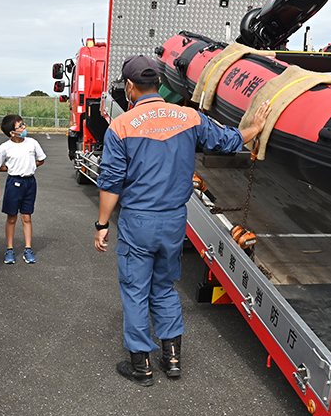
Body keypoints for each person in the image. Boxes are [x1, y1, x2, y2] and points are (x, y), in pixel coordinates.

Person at [94, 55, 271, 386]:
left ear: (130, 87)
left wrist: (102, 225)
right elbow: (229, 141)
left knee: (135, 290)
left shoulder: (121, 127)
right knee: (163, 287)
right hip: (175, 221)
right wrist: (256, 128)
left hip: (138, 221)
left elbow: (111, 182)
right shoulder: (189, 117)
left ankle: (141, 365)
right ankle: (172, 358)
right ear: (158, 84)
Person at [0, 114, 45, 264]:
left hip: (30, 182)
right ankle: (9, 249)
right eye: (20, 126)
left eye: (23, 124)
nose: (24, 128)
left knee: (27, 217)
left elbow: (41, 159)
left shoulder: (32, 143)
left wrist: (30, 166)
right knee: (12, 217)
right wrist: (13, 168)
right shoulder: (4, 147)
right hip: (14, 183)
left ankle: (28, 248)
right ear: (12, 132)